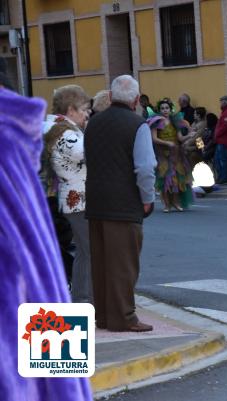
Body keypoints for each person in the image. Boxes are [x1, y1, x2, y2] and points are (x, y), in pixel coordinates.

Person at [1, 72, 93, 401]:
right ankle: (83, 299)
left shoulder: (26, 131)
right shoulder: (12, 141)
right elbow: (40, 278)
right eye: (84, 108)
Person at [84, 75, 157, 332]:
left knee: (101, 263)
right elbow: (146, 168)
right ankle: (125, 317)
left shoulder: (92, 124)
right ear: (137, 100)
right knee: (124, 265)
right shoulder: (138, 126)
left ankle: (104, 316)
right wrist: (148, 199)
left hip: (95, 202)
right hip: (124, 204)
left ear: (112, 97)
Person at [43, 85, 93, 303]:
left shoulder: (54, 127)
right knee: (88, 251)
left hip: (70, 197)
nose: (87, 113)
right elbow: (89, 153)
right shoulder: (67, 134)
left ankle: (82, 298)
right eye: (84, 109)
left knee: (84, 251)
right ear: (71, 109)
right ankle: (83, 300)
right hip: (77, 199)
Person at [148, 98, 193, 212]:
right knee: (165, 179)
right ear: (159, 110)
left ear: (170, 109)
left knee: (177, 179)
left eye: (167, 108)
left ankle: (176, 203)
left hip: (176, 154)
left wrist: (189, 135)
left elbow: (180, 138)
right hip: (163, 154)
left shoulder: (174, 121)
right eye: (162, 108)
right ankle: (167, 205)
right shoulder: (156, 121)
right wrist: (166, 143)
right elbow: (154, 138)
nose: (165, 110)